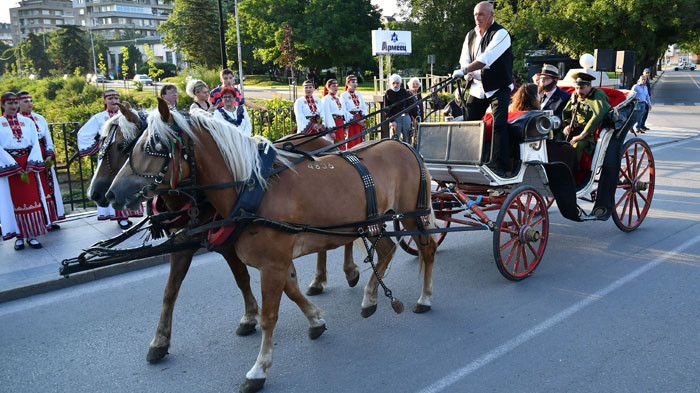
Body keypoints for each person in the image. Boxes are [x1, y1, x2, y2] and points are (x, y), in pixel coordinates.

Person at [453, 1, 514, 177]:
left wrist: (465, 70)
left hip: (498, 86)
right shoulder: (470, 35)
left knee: (499, 124)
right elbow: (464, 58)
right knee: (468, 123)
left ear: (491, 15)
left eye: (481, 14)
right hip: (477, 87)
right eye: (475, 14)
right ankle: (468, 162)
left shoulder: (501, 34)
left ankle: (500, 167)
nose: (477, 18)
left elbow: (487, 59)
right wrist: (465, 72)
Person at [77, 89, 143, 229]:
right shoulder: (99, 118)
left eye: (115, 98)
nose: (113, 101)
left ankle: (127, 213)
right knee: (111, 185)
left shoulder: (125, 116)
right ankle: (120, 217)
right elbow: (83, 134)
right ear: (104, 100)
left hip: (123, 156)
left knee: (126, 184)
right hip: (109, 159)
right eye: (110, 98)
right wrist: (100, 147)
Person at [0, 92, 50, 250]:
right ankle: (19, 236)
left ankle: (32, 235)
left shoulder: (27, 122)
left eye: (15, 103)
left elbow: (35, 142)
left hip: (28, 165)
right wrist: (13, 165)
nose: (14, 106)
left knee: (31, 200)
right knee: (12, 202)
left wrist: (31, 163)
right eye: (10, 104)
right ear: (2, 105)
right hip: (10, 168)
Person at [17, 91, 64, 228]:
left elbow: (48, 138)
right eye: (25, 101)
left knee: (48, 187)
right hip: (29, 157)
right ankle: (38, 222)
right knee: (34, 189)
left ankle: (49, 219)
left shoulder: (39, 118)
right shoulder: (18, 120)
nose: (29, 104)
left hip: (44, 156)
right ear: (18, 103)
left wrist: (49, 154)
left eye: (31, 100)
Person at [559, 72, 611, 164]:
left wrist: (581, 136)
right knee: (555, 140)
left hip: (589, 134)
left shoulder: (597, 94)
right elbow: (567, 112)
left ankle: (572, 173)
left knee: (576, 146)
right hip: (574, 129)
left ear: (590, 85)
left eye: (582, 88)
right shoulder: (575, 95)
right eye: (576, 88)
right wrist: (566, 126)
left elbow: (598, 115)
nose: (579, 91)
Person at [340, 75, 367, 149]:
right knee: (352, 139)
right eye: (352, 82)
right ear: (347, 83)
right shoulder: (344, 95)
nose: (355, 84)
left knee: (361, 139)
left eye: (356, 82)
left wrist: (364, 118)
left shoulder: (358, 94)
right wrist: (355, 120)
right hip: (352, 121)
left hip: (360, 119)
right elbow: (344, 110)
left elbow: (364, 107)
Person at [383, 74, 412, 143]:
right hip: (395, 119)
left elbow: (408, 104)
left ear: (400, 83)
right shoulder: (388, 92)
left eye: (397, 83)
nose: (395, 85)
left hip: (405, 117)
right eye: (393, 83)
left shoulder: (404, 91)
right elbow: (386, 109)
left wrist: (410, 117)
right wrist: (391, 120)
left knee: (407, 139)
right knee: (394, 140)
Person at [320, 79, 347, 148]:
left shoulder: (338, 98)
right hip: (333, 124)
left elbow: (342, 112)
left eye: (337, 86)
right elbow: (327, 114)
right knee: (334, 145)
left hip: (340, 123)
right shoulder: (326, 99)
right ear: (328, 87)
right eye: (333, 86)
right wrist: (331, 130)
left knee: (341, 144)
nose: (336, 88)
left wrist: (344, 125)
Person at [407, 77, 423, 143]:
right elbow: (407, 108)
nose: (415, 85)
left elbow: (421, 107)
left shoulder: (418, 94)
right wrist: (412, 119)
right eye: (413, 84)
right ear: (410, 85)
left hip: (419, 118)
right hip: (411, 119)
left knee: (418, 137)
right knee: (410, 137)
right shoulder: (407, 94)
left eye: (417, 84)